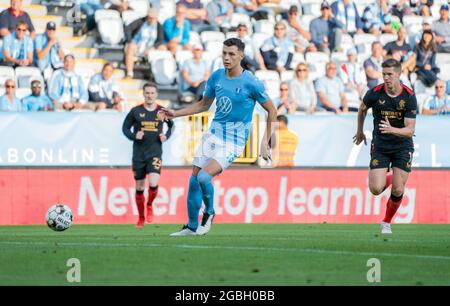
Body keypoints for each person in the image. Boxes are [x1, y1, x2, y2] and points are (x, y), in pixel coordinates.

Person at [158, 38, 277, 236]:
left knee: (205, 177)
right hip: (213, 135)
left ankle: (209, 213)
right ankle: (190, 227)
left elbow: (272, 110)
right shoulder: (216, 77)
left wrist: (265, 142)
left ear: (241, 56)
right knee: (194, 181)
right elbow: (203, 105)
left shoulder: (252, 82)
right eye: (224, 53)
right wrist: (175, 113)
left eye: (231, 54)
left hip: (234, 140)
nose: (227, 58)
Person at [353, 59, 417, 234]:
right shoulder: (374, 93)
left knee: (398, 188)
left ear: (398, 74)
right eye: (384, 74)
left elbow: (410, 130)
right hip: (381, 145)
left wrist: (391, 129)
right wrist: (359, 131)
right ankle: (391, 177)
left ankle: (386, 222)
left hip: (403, 146)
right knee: (375, 189)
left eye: (390, 74)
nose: (386, 78)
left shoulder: (409, 96)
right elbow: (362, 109)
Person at [122, 82, 174, 228]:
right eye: (147, 93)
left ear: (156, 95)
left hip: (155, 152)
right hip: (139, 154)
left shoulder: (162, 111)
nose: (150, 95)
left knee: (153, 183)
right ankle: (141, 217)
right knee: (139, 187)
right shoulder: (135, 111)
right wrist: (134, 135)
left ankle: (149, 204)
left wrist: (166, 135)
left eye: (152, 93)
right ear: (143, 94)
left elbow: (171, 126)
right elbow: (125, 128)